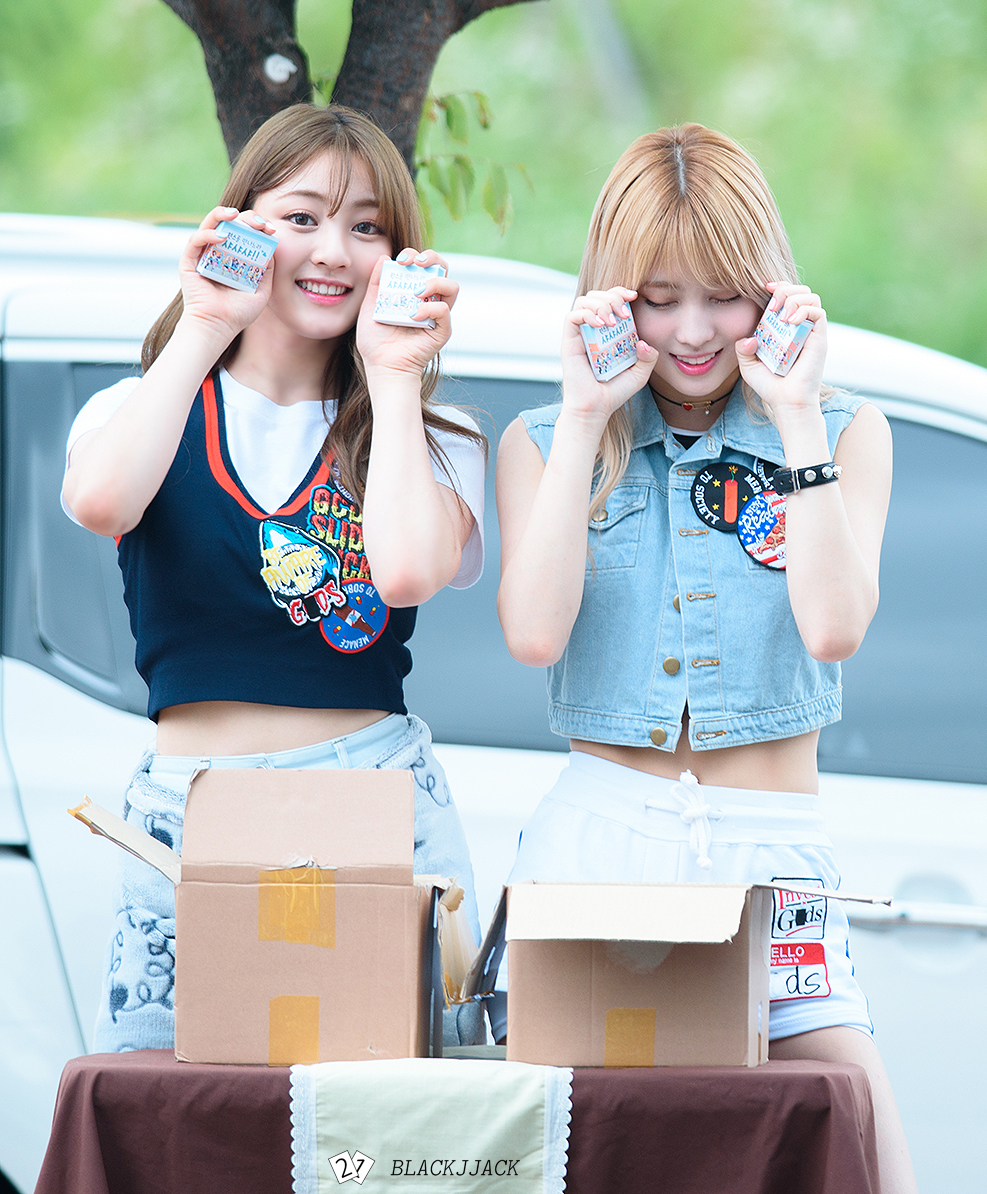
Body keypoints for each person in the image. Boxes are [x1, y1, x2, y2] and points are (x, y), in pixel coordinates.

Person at [495, 124, 916, 1193]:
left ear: (769, 289)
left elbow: (834, 628)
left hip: (768, 847)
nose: (691, 331)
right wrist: (586, 414)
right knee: (568, 1149)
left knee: (858, 1125)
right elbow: (533, 634)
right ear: (613, 295)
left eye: (723, 296)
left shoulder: (840, 431)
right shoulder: (546, 440)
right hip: (598, 833)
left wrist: (793, 417)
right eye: (657, 297)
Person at [63, 103, 489, 1051]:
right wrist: (207, 321)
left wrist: (394, 374)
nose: (334, 250)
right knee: (176, 1099)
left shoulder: (434, 436)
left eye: (367, 227)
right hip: (191, 810)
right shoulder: (141, 407)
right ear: (241, 225)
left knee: (403, 1105)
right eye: (301, 218)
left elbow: (408, 572)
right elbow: (100, 502)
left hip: (373, 798)